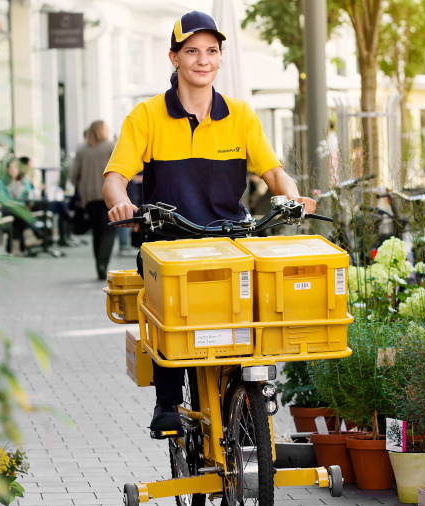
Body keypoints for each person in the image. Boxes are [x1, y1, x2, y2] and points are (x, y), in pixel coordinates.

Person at [101, 10, 316, 433]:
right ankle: (167, 401)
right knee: (167, 314)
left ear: (220, 59)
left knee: (251, 311)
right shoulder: (146, 116)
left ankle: (249, 392)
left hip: (230, 239)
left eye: (211, 51)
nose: (202, 59)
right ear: (174, 58)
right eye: (192, 51)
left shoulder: (240, 115)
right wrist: (122, 204)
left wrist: (291, 196)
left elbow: (272, 171)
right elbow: (115, 177)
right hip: (170, 241)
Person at [71, 120, 117, 279]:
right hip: (109, 195)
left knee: (97, 231)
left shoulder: (82, 150)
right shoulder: (111, 147)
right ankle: (103, 262)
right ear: (101, 130)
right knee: (109, 230)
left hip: (89, 197)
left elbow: (73, 175)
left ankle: (99, 262)